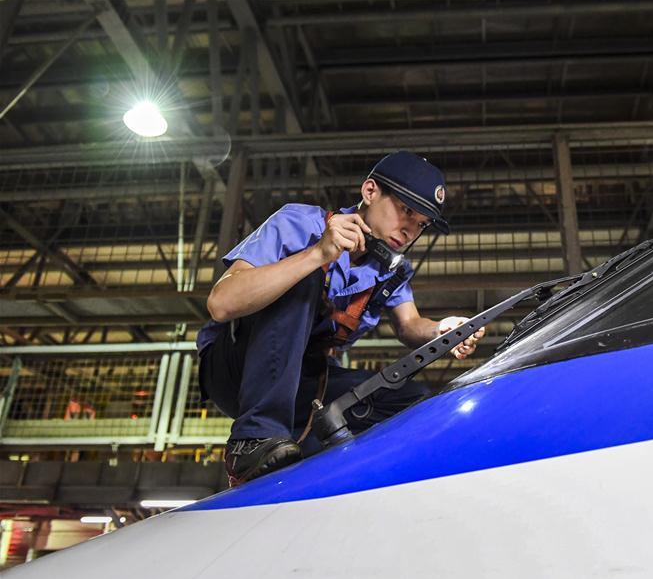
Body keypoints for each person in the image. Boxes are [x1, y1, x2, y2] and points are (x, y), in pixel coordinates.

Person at [196, 151, 485, 487]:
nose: (409, 231)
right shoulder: (300, 224)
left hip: (302, 382)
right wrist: (317, 254)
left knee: (410, 400)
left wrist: (442, 328)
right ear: (370, 191)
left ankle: (348, 476)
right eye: (405, 210)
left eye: (420, 224)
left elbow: (409, 326)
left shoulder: (391, 270)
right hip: (236, 368)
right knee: (305, 277)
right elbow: (221, 303)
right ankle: (254, 439)